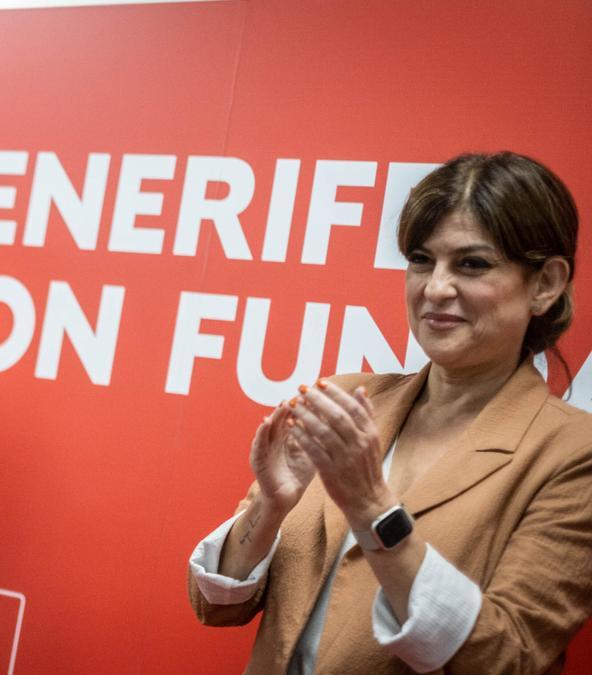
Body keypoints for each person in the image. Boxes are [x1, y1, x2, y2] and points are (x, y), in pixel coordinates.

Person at [188, 152, 592, 673]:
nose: (435, 288)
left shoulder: (572, 455)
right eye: (422, 260)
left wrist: (374, 511)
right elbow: (217, 605)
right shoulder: (347, 399)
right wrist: (269, 507)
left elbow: (505, 658)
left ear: (546, 284)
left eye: (472, 264)